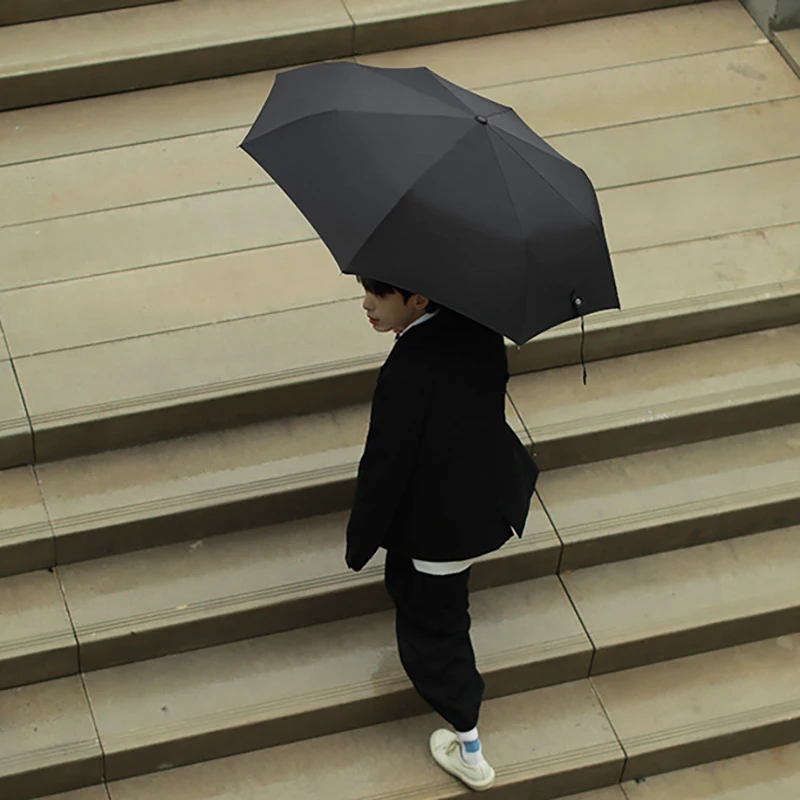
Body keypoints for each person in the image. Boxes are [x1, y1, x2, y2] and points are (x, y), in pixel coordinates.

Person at [345, 276, 539, 791]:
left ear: (418, 299)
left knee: (436, 628)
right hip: (486, 499)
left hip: (441, 524)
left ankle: (469, 747)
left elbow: (385, 467)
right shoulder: (476, 328)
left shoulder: (409, 370)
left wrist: (359, 541)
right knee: (429, 602)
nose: (367, 305)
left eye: (380, 296)